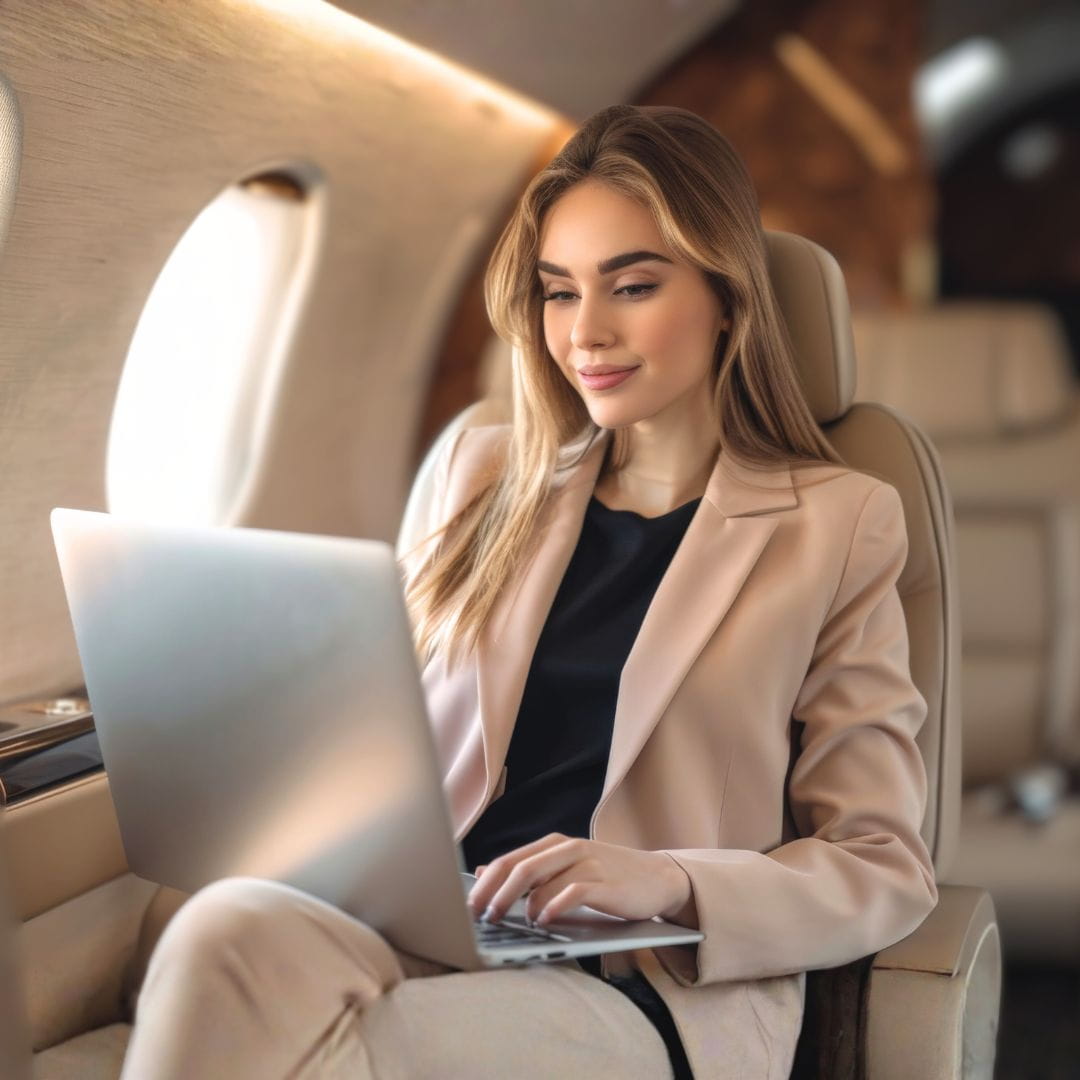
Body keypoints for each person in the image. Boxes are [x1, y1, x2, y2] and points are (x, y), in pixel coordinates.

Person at [119, 104, 938, 1080]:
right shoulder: (480, 472)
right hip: (439, 921)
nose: (585, 333)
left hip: (639, 979)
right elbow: (399, 745)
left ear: (726, 295)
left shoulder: (840, 524)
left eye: (631, 286)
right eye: (559, 293)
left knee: (362, 1051)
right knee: (223, 928)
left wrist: (667, 880)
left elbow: (883, 865)